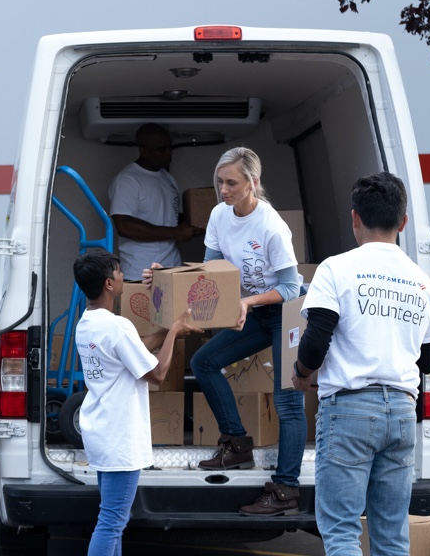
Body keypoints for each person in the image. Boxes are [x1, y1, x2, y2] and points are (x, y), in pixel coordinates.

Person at [143, 147, 306, 516]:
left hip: (286, 313)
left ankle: (285, 491)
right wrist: (164, 275)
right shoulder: (219, 215)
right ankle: (237, 444)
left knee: (288, 403)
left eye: (232, 182)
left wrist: (248, 302)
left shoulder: (271, 227)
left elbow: (291, 288)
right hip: (253, 312)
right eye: (220, 181)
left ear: (253, 183)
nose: (223, 189)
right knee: (205, 362)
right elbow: (210, 270)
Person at [292, 172, 430, 556]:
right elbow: (427, 360)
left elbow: (316, 339)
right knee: (391, 534)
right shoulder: (421, 281)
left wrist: (301, 374)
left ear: (354, 218)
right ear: (403, 222)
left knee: (342, 530)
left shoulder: (336, 269)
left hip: (350, 411)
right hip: (402, 414)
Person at [73, 249, 201, 556]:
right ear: (108, 284)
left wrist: (167, 332)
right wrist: (175, 332)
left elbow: (135, 349)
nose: (122, 278)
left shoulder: (87, 324)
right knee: (112, 521)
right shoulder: (117, 326)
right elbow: (157, 373)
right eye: (118, 273)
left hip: (102, 432)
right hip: (120, 437)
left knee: (115, 518)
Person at [108, 123, 202, 281]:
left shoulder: (167, 177)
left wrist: (194, 224)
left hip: (172, 269)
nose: (169, 153)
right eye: (162, 149)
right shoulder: (127, 180)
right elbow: (123, 225)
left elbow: (168, 217)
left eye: (170, 148)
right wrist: (175, 232)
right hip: (140, 273)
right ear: (143, 150)